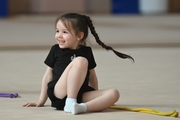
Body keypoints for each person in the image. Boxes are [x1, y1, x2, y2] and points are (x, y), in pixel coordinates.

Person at [23, 13, 134, 115]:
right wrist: (41, 101)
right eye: (57, 31)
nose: (59, 35)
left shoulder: (86, 51)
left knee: (114, 93)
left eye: (64, 32)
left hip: (81, 95)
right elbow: (48, 75)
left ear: (79, 36)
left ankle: (81, 108)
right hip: (60, 93)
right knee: (80, 61)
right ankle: (70, 102)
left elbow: (92, 76)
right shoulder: (55, 50)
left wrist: (99, 98)